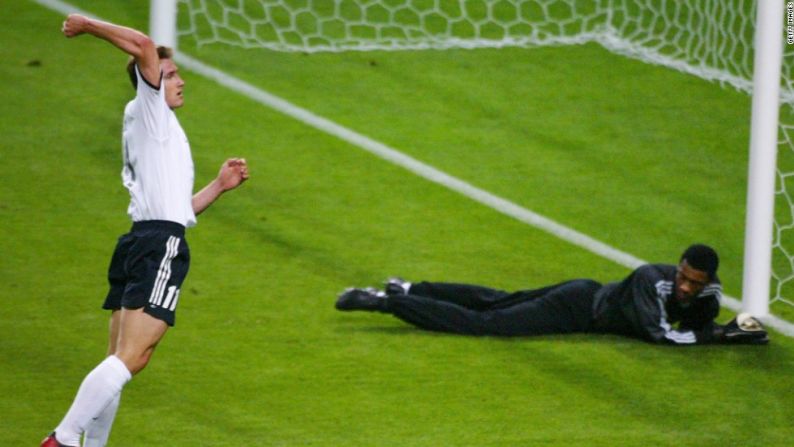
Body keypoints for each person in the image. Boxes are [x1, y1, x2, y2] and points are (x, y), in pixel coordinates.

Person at [41, 14, 250, 447]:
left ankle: (89, 444)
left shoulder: (148, 122)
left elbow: (175, 209)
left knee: (121, 359)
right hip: (159, 246)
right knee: (132, 358)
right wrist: (87, 24)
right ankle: (62, 440)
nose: (180, 81)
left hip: (141, 238)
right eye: (170, 73)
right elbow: (142, 43)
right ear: (149, 76)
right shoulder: (151, 108)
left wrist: (218, 187)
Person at [336, 244, 769, 345]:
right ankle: (385, 301)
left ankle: (408, 287)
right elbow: (663, 336)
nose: (685, 287)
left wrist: (726, 330)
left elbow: (696, 324)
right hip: (577, 309)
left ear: (708, 278)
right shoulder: (649, 280)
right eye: (683, 277)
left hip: (582, 296)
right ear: (677, 268)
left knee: (496, 300)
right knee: (489, 322)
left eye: (694, 282)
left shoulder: (710, 292)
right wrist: (723, 336)